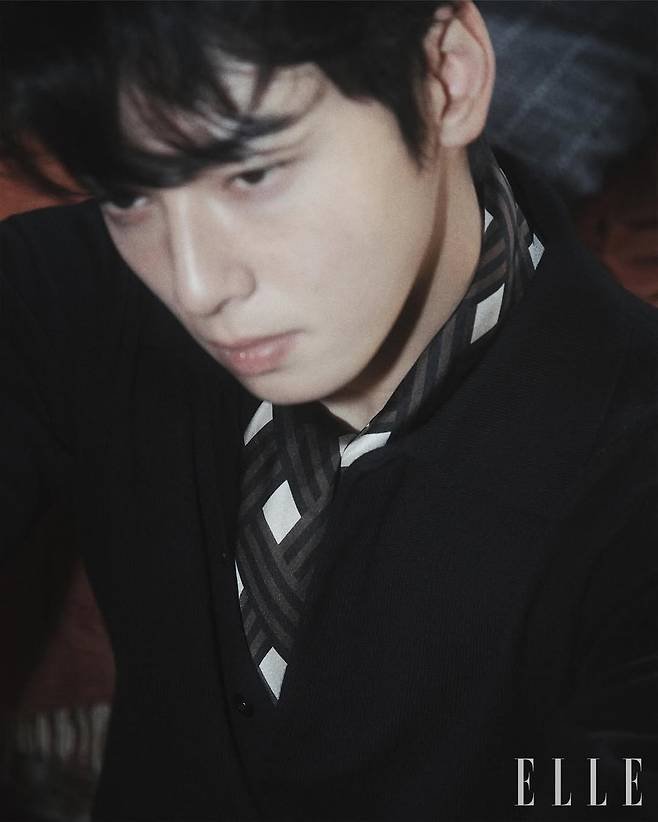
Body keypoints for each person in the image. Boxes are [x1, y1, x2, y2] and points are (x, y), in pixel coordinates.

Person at [0, 2, 656, 820]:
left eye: (252, 175)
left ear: (446, 75)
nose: (196, 285)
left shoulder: (631, 487)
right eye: (128, 195)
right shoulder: (76, 292)